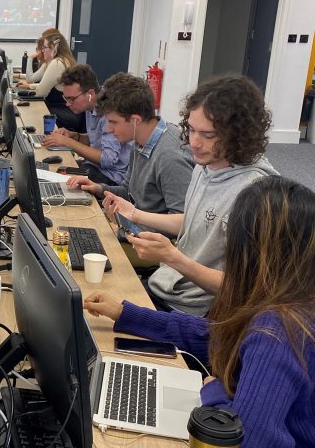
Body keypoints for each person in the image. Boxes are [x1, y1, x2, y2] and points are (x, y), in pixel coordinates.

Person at [84, 176, 315, 448]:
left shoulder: (276, 329)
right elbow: (216, 336)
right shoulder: (292, 299)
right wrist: (129, 314)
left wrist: (212, 388)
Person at [105, 74, 277, 315]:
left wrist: (174, 258)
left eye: (209, 135)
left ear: (241, 134)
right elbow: (197, 220)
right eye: (192, 130)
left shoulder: (259, 196)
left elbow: (246, 290)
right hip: (166, 286)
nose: (194, 143)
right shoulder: (205, 166)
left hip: (192, 313)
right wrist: (134, 213)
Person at [66, 72, 194, 220]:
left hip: (145, 238)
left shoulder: (170, 156)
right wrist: (98, 188)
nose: (108, 129)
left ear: (135, 120)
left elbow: (182, 225)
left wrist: (126, 224)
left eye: (113, 122)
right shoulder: (139, 139)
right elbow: (128, 192)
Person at [41, 63, 131, 184]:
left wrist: (68, 143)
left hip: (111, 177)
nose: (68, 104)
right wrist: (75, 136)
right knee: (52, 172)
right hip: (95, 168)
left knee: (59, 182)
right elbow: (98, 141)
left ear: (90, 94)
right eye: (65, 98)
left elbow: (107, 159)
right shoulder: (91, 105)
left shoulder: (109, 112)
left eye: (72, 99)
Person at [15, 31, 83, 133]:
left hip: (65, 113)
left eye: (44, 47)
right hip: (70, 112)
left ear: (53, 49)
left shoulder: (57, 63)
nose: (42, 51)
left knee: (33, 115)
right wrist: (31, 86)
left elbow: (40, 93)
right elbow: (45, 87)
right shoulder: (63, 60)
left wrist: (30, 87)